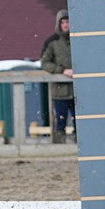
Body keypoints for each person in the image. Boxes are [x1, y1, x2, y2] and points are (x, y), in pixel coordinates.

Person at [40, 10, 74, 143]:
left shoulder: (80, 38)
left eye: (68, 21)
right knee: (60, 121)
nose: (66, 25)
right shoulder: (52, 42)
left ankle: (79, 146)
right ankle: (60, 146)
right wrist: (62, 71)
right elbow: (45, 63)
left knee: (80, 121)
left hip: (78, 90)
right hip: (59, 91)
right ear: (59, 24)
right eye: (63, 22)